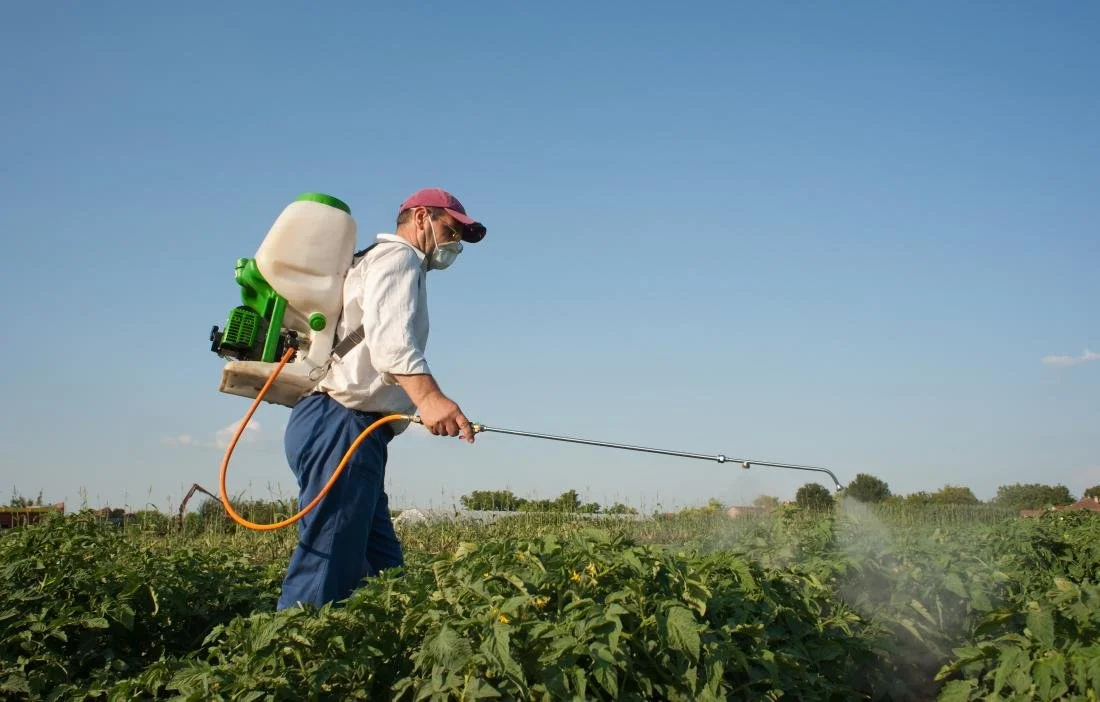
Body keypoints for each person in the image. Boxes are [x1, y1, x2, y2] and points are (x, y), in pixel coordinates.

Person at [276, 187, 487, 611]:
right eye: (451, 230)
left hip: (348, 428)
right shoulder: (400, 257)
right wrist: (430, 399)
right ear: (422, 217)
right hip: (342, 423)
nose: (454, 243)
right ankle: (290, 659)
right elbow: (391, 343)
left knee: (384, 573)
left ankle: (385, 658)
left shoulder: (376, 260)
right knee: (327, 565)